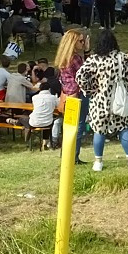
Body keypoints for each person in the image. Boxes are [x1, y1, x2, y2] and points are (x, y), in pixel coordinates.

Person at [76, 29, 128, 171]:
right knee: (123, 128)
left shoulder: (94, 59)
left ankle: (98, 162)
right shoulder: (122, 58)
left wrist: (91, 88)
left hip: (100, 100)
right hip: (119, 100)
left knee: (99, 130)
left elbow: (80, 76)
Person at [56, 28, 90, 161]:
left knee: (69, 125)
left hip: (68, 94)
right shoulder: (75, 58)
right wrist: (87, 51)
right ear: (73, 42)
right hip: (78, 94)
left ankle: (66, 154)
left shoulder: (63, 58)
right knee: (79, 125)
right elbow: (86, 72)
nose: (83, 43)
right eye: (81, 41)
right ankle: (73, 156)